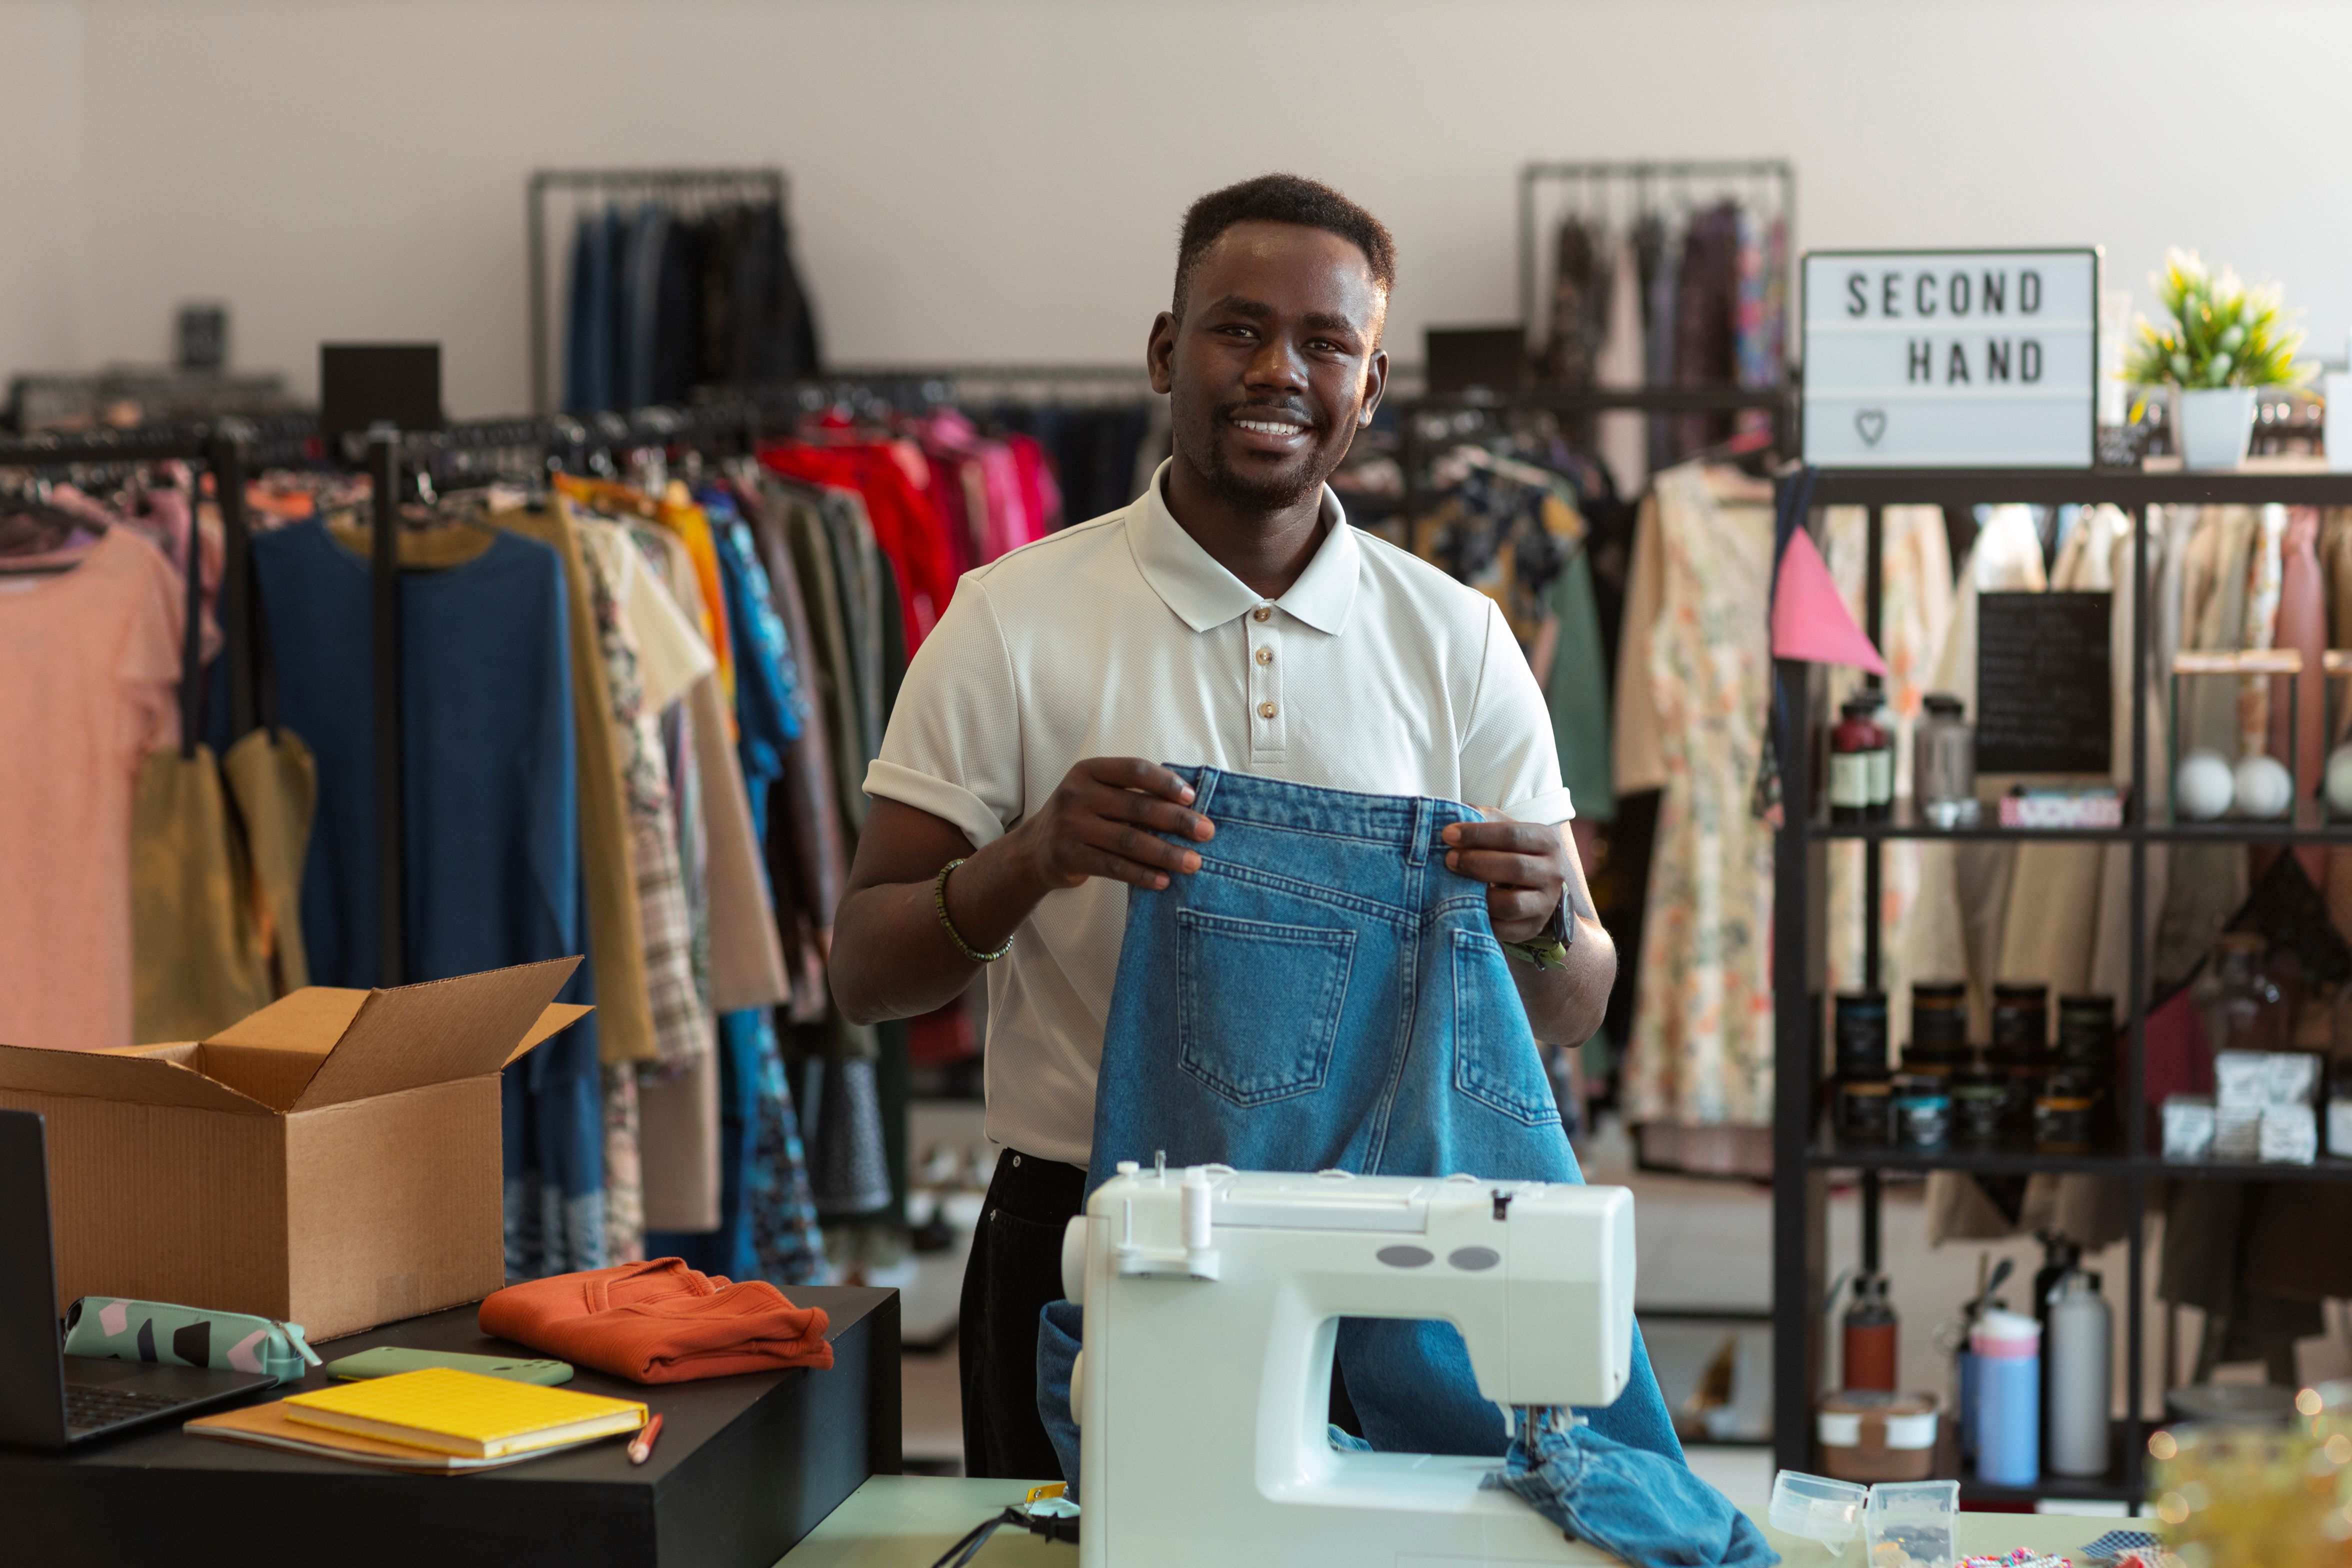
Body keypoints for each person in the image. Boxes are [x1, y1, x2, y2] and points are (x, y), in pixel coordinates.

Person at [830, 172, 1616, 1480]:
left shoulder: (1459, 642)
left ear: (1371, 387)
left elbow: (1576, 1002)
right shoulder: (1008, 622)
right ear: (1164, 350)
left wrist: (1542, 928)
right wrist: (1029, 861)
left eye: (1326, 344)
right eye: (1239, 329)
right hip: (1081, 1231)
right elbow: (864, 972)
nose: (1279, 372)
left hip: (1382, 1254)